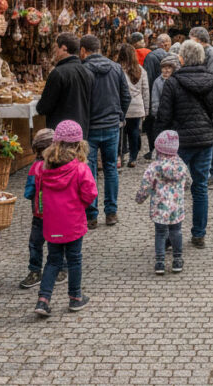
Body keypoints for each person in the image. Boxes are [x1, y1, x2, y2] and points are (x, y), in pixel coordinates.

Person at [155, 40, 213, 249]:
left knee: (172, 188)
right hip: (204, 142)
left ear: (182, 59)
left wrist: (160, 143)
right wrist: (212, 136)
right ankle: (198, 234)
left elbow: (164, 116)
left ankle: (170, 236)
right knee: (200, 187)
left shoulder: (173, 83)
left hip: (177, 144)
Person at [31, 120, 96, 317]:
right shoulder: (80, 169)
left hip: (51, 223)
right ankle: (75, 297)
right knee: (74, 259)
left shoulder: (42, 168)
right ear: (78, 145)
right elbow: (90, 193)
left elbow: (37, 192)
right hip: (73, 222)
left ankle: (43, 299)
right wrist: (81, 205)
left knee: (53, 260)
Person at [81, 34, 131, 229]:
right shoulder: (116, 68)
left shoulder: (83, 69)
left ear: (84, 50)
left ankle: (91, 214)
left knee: (90, 169)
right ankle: (111, 212)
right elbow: (125, 96)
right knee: (111, 168)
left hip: (91, 126)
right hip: (111, 125)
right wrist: (119, 115)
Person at [135, 130, 190, 275]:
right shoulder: (181, 165)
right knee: (176, 231)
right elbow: (188, 182)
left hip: (159, 208)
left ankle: (160, 262)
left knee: (160, 233)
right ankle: (177, 260)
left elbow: (145, 185)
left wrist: (140, 198)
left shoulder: (154, 167)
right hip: (176, 207)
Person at [19, 128, 68, 289]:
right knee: (59, 241)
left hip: (39, 215)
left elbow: (28, 191)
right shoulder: (61, 165)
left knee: (35, 243)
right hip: (58, 214)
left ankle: (35, 271)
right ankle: (61, 269)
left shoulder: (35, 168)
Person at [189, 27, 213, 185]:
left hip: (210, 100)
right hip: (197, 100)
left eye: (190, 38)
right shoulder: (196, 52)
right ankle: (201, 170)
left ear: (198, 39)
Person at [36, 33, 94, 131]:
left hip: (61, 132)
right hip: (81, 130)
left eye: (56, 49)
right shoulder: (88, 72)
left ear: (63, 48)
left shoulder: (58, 73)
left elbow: (43, 107)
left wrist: (39, 105)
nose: (55, 53)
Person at [117, 43, 149, 168]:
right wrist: (146, 109)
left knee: (121, 132)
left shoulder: (118, 69)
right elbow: (145, 91)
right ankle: (133, 157)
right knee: (134, 132)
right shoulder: (141, 70)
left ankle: (122, 155)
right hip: (137, 106)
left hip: (122, 106)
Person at [142, 33, 172, 160]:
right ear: (165, 44)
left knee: (153, 124)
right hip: (169, 93)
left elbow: (148, 77)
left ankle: (153, 148)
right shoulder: (170, 56)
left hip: (154, 93)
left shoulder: (151, 56)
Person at [150, 54, 180, 126]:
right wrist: (156, 115)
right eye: (164, 67)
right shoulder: (157, 82)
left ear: (173, 69)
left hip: (176, 115)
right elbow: (155, 100)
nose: (166, 70)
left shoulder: (177, 80)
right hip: (162, 115)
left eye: (169, 67)